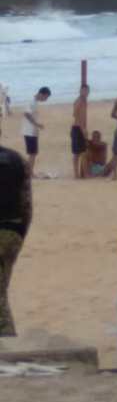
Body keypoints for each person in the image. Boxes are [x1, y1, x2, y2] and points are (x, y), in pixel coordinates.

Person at [0, 143, 31, 336]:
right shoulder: (17, 159)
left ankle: (8, 351)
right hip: (12, 232)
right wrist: (20, 234)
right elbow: (26, 205)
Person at [21, 86, 50, 178]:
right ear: (42, 94)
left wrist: (37, 126)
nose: (45, 99)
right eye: (46, 97)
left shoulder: (35, 102)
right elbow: (26, 114)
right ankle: (29, 173)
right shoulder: (31, 101)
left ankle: (30, 171)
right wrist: (36, 124)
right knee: (32, 153)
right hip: (29, 131)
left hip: (32, 131)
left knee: (33, 153)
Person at [71, 84, 89, 179]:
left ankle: (82, 174)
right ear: (80, 91)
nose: (85, 93)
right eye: (83, 91)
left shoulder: (84, 101)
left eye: (86, 91)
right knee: (80, 153)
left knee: (81, 153)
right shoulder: (79, 101)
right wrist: (83, 129)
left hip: (80, 128)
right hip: (77, 128)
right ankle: (78, 174)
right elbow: (76, 115)